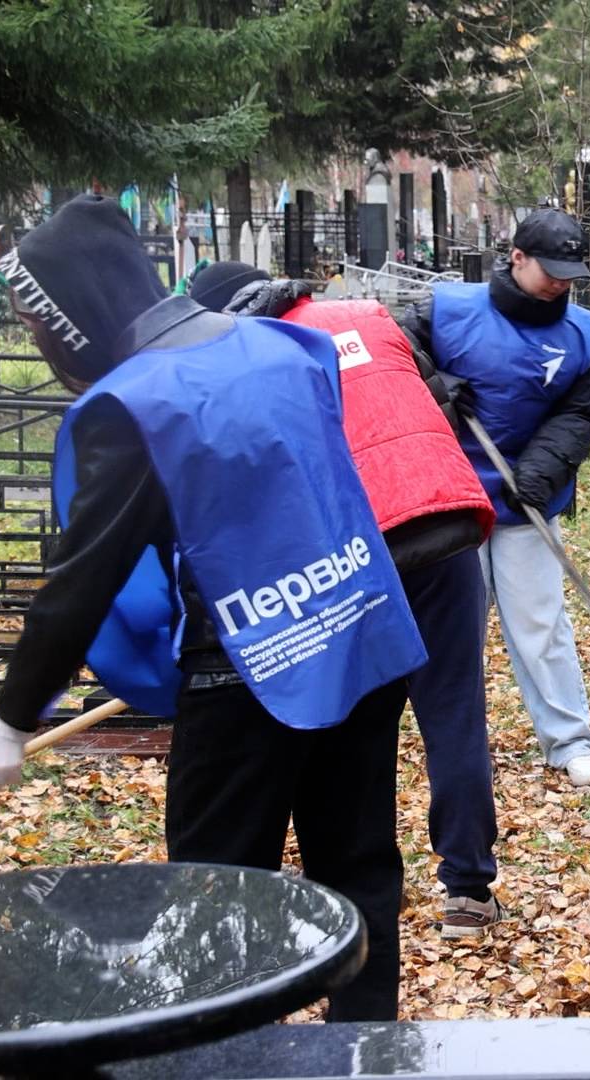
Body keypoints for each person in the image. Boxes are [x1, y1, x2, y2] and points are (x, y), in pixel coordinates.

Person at [0, 196, 427, 1018]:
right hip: (358, 635)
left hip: (244, 674)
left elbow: (84, 575)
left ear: (68, 314)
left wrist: (11, 719)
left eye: (31, 320)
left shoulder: (140, 403)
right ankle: (368, 1057)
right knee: (360, 868)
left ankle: (232, 1062)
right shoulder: (283, 343)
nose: (36, 343)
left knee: (214, 900)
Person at [189, 261, 505, 938]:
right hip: (448, 522)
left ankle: (326, 879)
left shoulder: (257, 355)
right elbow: (441, 400)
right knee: (453, 712)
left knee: (356, 722)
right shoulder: (370, 315)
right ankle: (468, 890)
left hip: (361, 547)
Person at [399, 209, 590, 787]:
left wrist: (540, 473)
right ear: (517, 257)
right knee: (453, 628)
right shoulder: (446, 310)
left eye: (573, 272)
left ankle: (570, 740)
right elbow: (394, 361)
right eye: (552, 270)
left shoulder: (587, 335)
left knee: (540, 623)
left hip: (528, 499)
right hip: (451, 499)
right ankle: (452, 741)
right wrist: (435, 385)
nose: (563, 283)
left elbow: (583, 410)